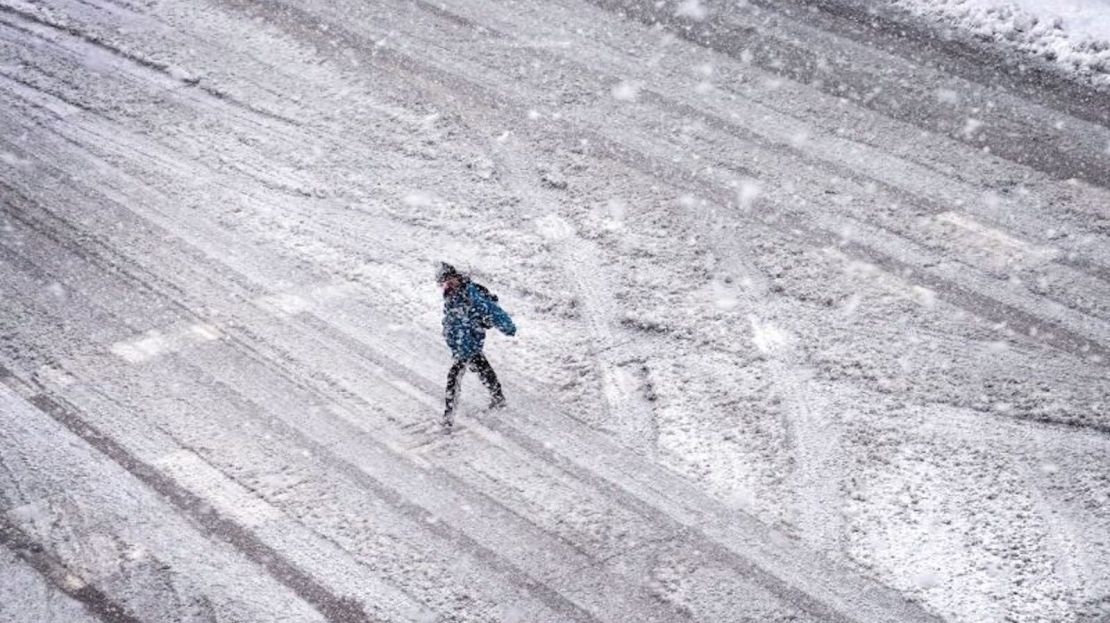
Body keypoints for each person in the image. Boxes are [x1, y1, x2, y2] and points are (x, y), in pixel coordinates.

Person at [437, 263, 516, 424]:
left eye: (450, 280)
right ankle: (498, 397)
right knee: (482, 368)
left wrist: (507, 327)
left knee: (454, 377)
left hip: (468, 343)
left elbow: (493, 311)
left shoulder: (471, 295)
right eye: (444, 283)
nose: (448, 285)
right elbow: (451, 322)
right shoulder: (451, 296)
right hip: (462, 345)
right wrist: (450, 338)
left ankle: (448, 416)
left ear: (457, 277)